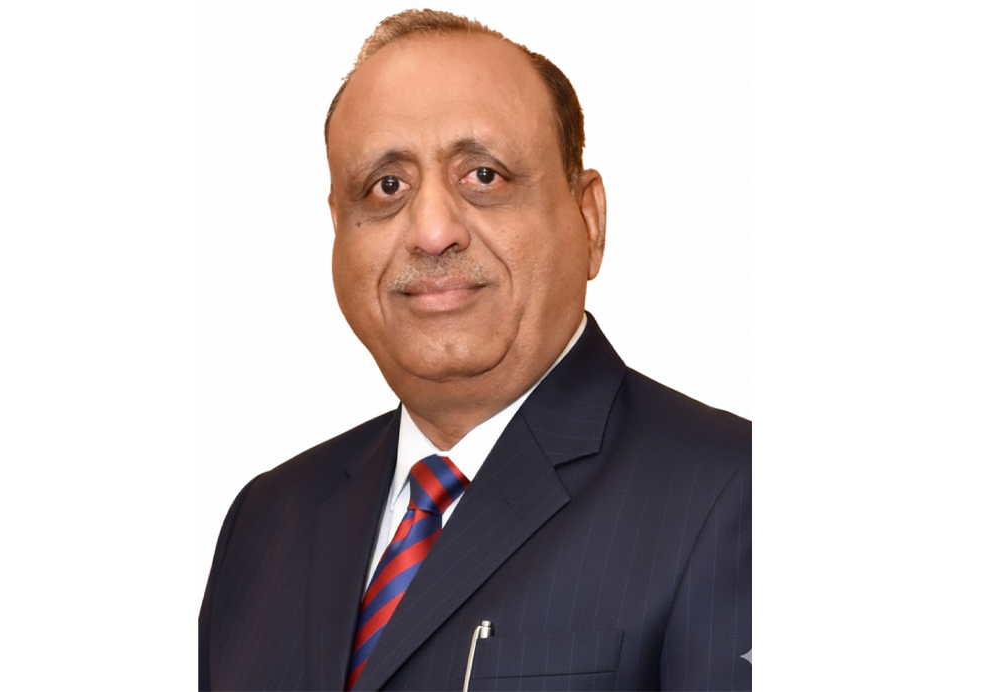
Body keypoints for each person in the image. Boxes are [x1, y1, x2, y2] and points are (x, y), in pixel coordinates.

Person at [199, 9, 750, 691]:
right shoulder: (263, 523)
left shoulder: (739, 494)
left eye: (484, 176)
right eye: (387, 186)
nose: (432, 231)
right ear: (338, 232)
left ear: (588, 219)